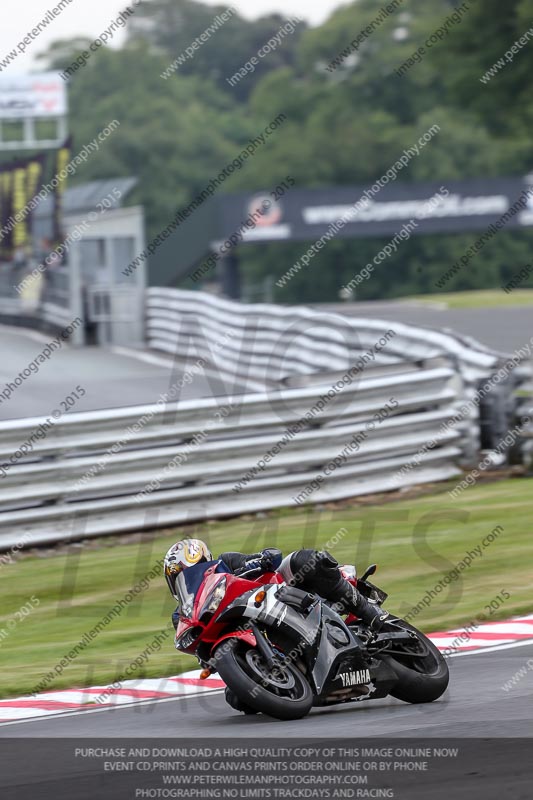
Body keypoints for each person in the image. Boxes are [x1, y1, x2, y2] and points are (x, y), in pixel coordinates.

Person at [164, 538, 389, 632]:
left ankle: (370, 613)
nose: (191, 578)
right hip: (247, 633)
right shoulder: (183, 616)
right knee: (238, 700)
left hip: (279, 596)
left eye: (195, 569)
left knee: (304, 561)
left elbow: (271, 557)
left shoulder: (226, 563)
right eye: (181, 576)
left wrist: (259, 560)